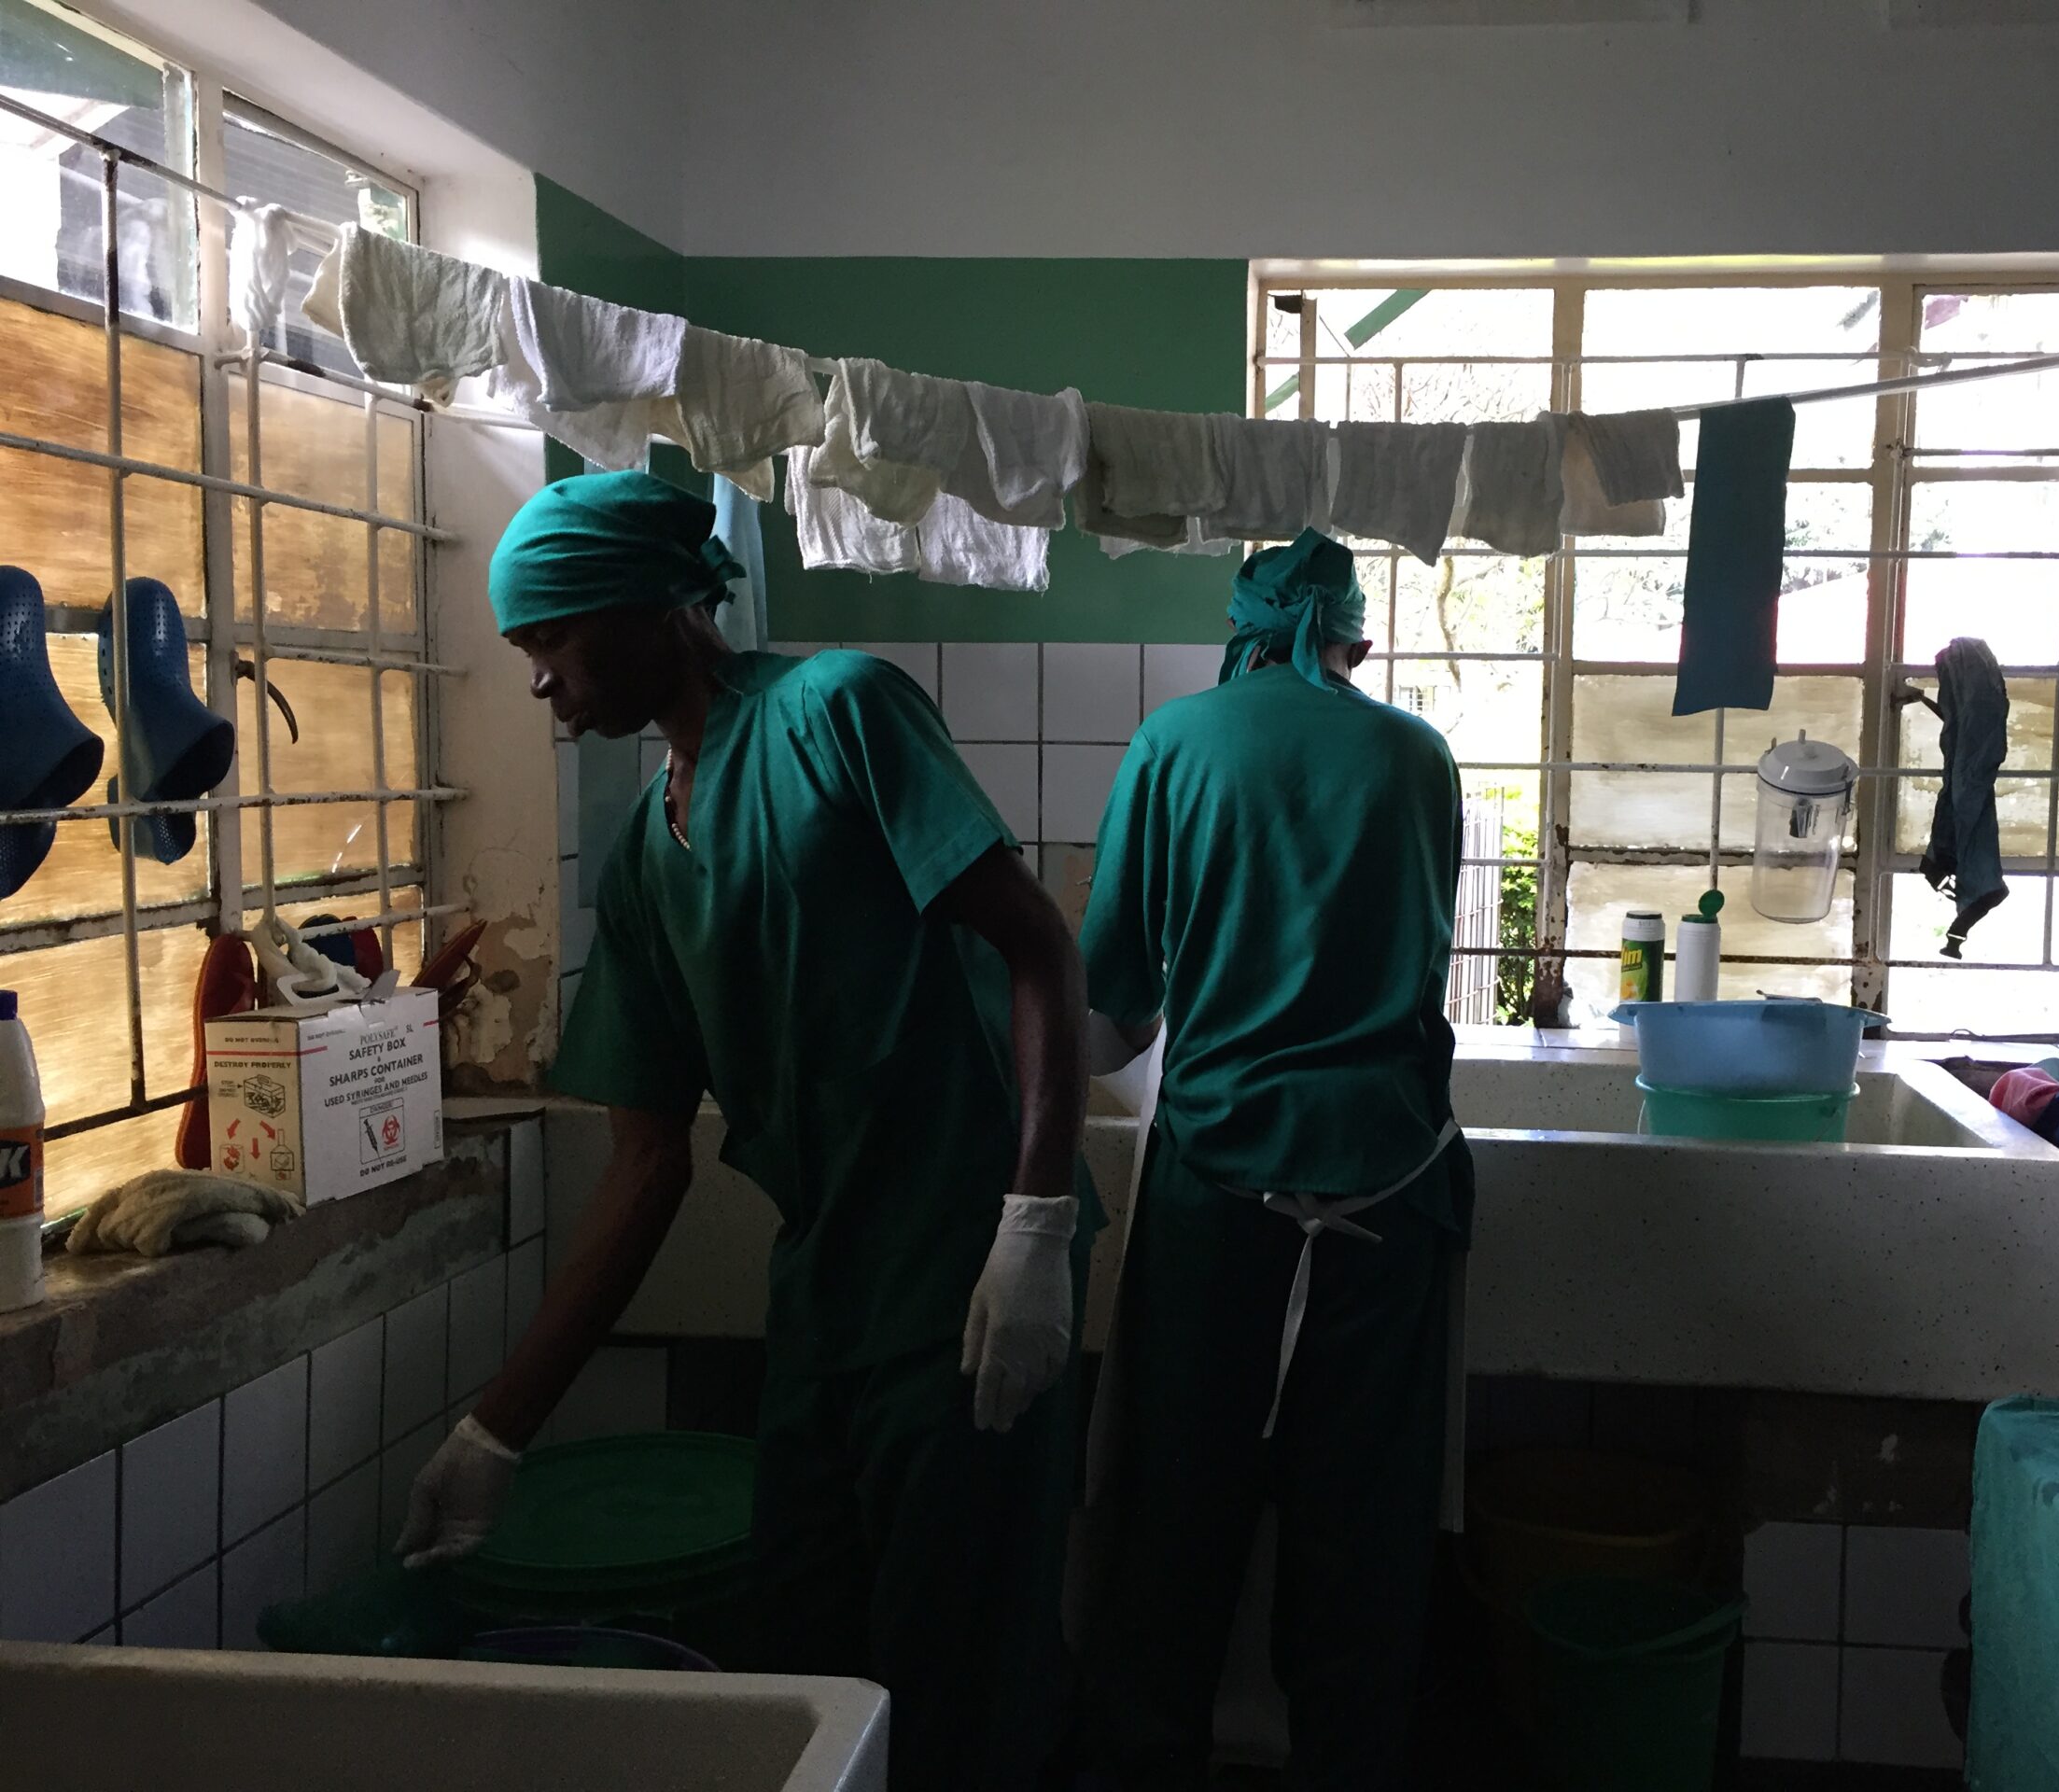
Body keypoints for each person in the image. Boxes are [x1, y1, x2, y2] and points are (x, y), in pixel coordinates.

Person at [398, 470, 1093, 1792]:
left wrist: (1037, 1224)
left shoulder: (838, 714)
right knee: (804, 1663)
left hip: (966, 1264)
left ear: (655, 607)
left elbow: (1039, 946)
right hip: (830, 1284)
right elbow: (648, 1163)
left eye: (551, 638)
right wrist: (499, 1428)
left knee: (960, 1670)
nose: (540, 683)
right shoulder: (647, 860)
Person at [1079, 528, 1472, 1791]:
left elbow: (1115, 1014)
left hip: (1222, 1199)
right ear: (1352, 635)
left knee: (1174, 1521)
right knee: (1362, 1538)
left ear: (1239, 630)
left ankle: (1151, 1762)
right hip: (1389, 1196)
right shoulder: (1419, 757)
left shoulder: (1174, 744)